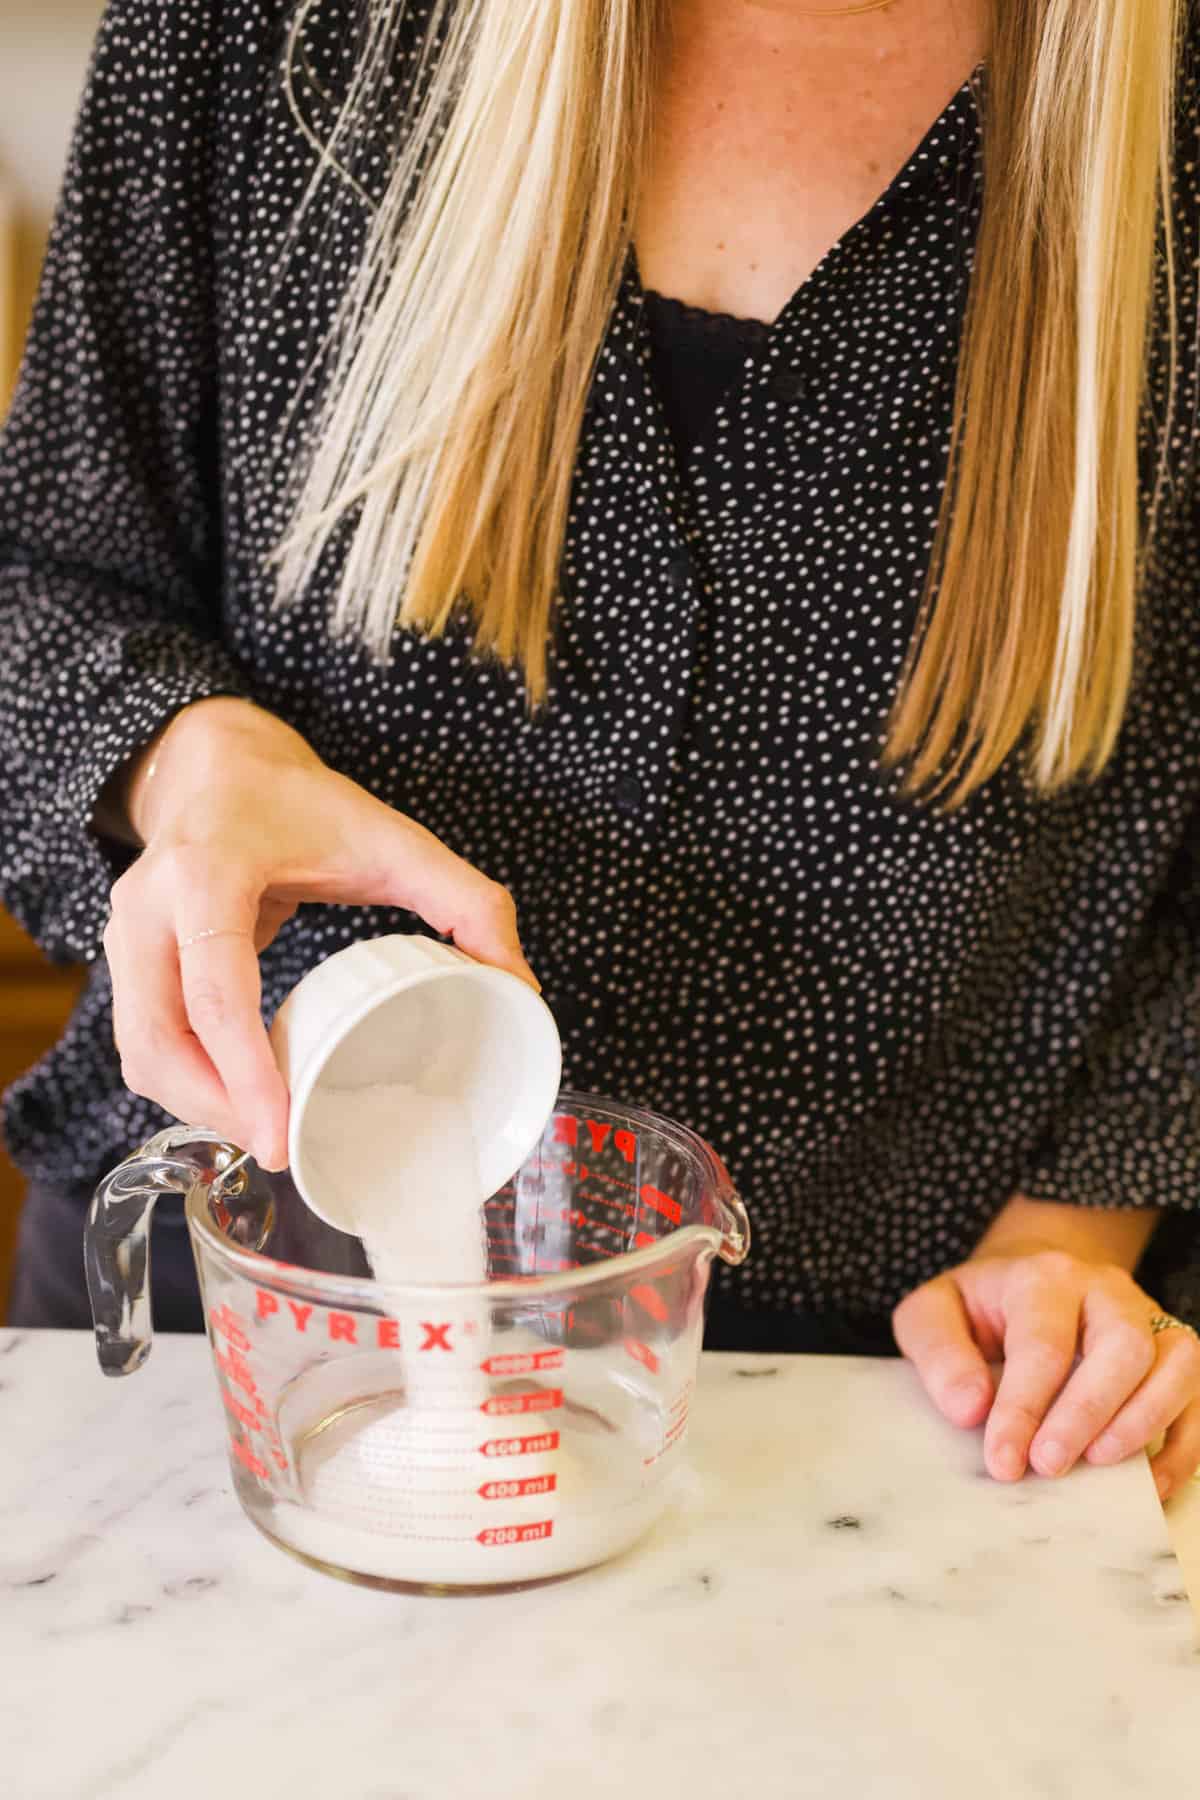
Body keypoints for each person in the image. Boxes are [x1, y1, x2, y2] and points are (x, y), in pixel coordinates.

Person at [2, 0, 1199, 1501]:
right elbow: (45, 574)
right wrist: (193, 765)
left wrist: (1072, 1237)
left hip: (909, 1400)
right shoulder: (280, 33)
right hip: (243, 1347)